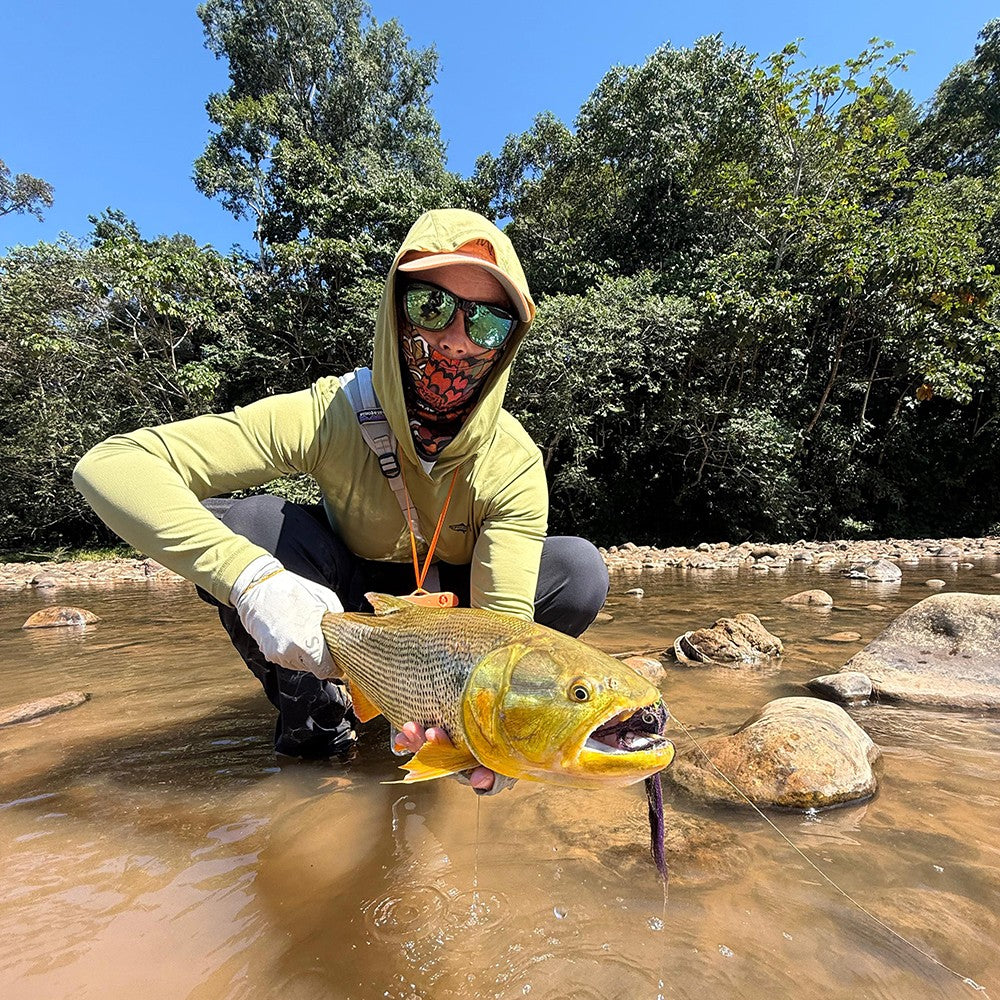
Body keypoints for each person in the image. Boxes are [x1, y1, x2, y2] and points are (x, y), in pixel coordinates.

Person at [73, 208, 609, 792]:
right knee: (253, 522)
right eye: (432, 307)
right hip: (343, 605)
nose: (457, 340)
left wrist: (501, 741)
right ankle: (319, 716)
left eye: (487, 323)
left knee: (577, 570)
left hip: (457, 622)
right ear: (394, 308)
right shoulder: (330, 414)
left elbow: (504, 631)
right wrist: (250, 580)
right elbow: (112, 467)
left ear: (508, 342)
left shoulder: (513, 461)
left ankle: (446, 722)